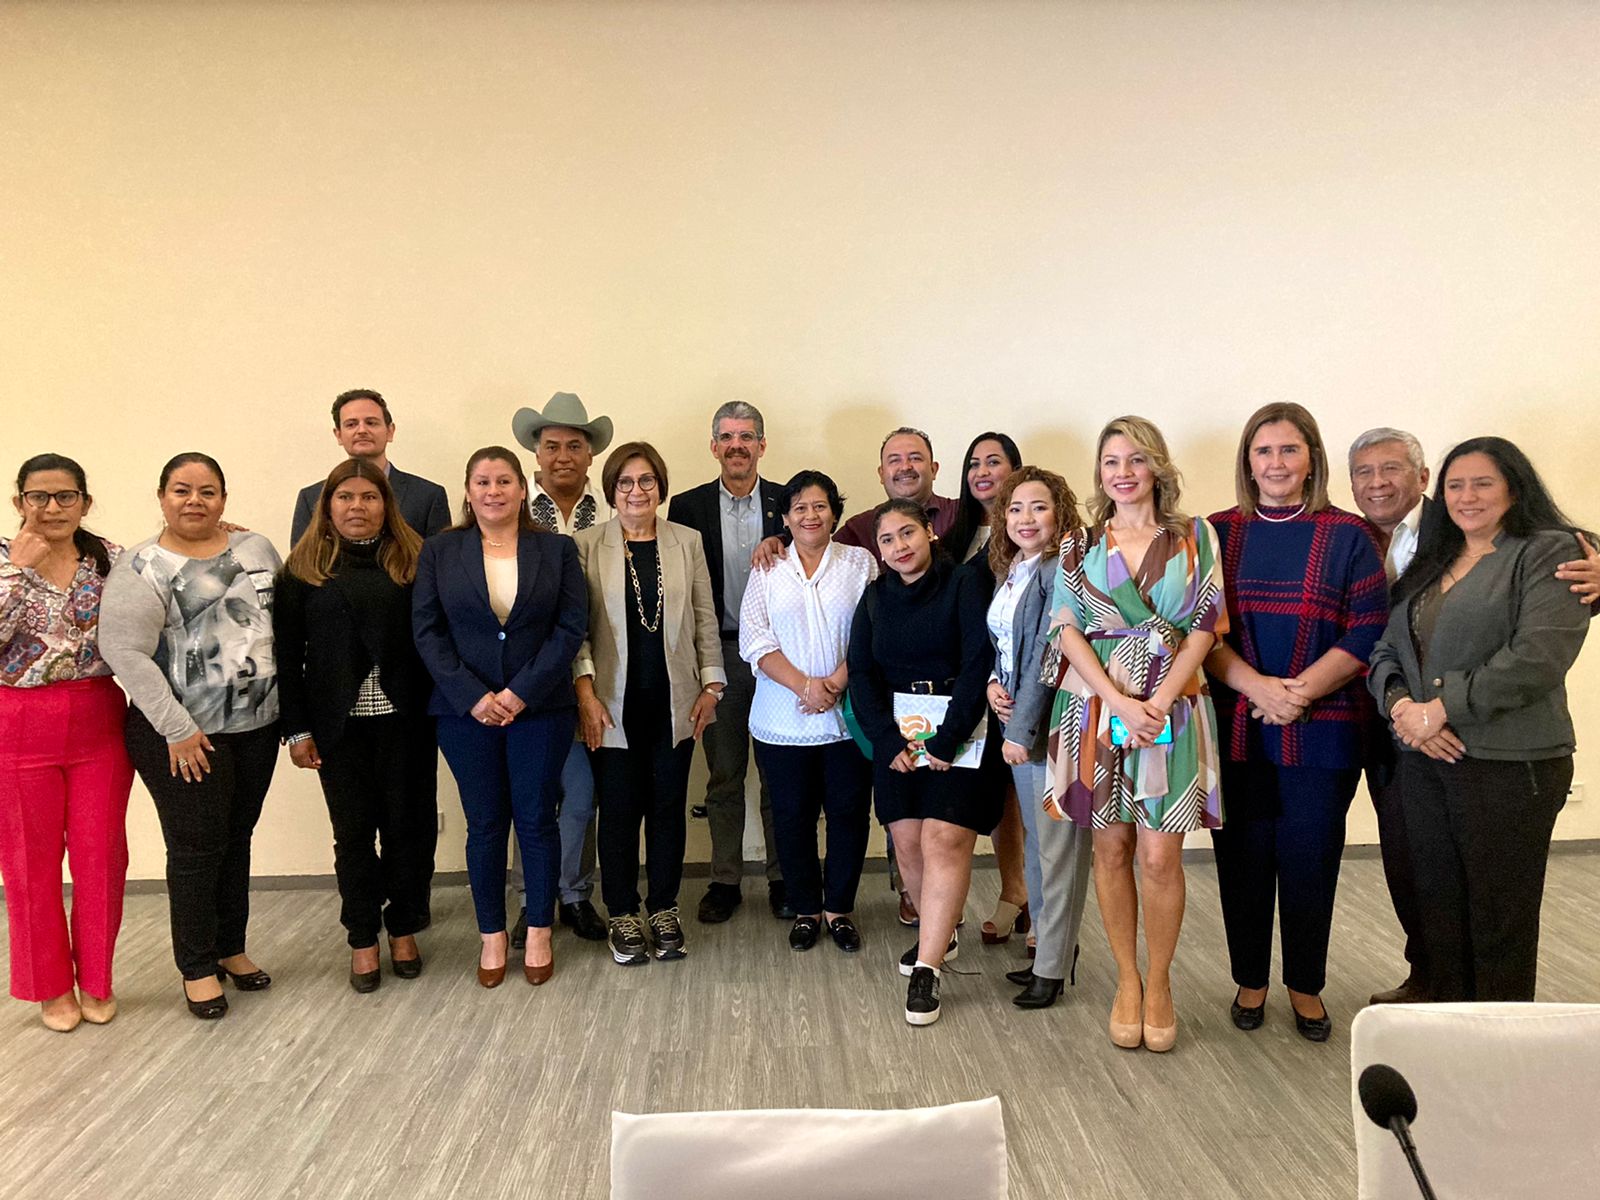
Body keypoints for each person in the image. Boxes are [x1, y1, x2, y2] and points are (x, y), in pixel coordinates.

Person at [1368, 437, 1589, 1002]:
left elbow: (1536, 658)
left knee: (1499, 918)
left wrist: (1439, 711)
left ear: (1514, 488)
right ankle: (1447, 1029)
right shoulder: (1434, 558)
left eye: (1482, 483)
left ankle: (1500, 1039)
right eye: (1455, 486)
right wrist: (1402, 709)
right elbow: (1388, 650)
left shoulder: (1550, 551)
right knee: (1438, 907)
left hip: (1510, 766)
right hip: (1425, 762)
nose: (1467, 496)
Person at [1042, 420, 1228, 1051]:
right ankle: (1127, 978)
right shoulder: (1079, 543)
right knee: (1112, 849)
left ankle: (1161, 982)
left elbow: (1205, 625)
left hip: (1172, 706)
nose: (1122, 472)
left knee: (1159, 856)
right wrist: (1120, 700)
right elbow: (1067, 629)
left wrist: (1159, 702)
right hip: (1096, 707)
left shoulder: (1196, 535)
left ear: (1157, 467)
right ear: (1100, 473)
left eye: (1135, 459)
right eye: (1111, 461)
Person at [1205, 404, 1387, 1043]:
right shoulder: (1216, 532)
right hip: (1238, 723)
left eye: (1289, 450)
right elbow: (1199, 630)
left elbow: (1369, 627)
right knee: (1244, 859)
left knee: (1311, 858)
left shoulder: (1348, 535)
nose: (1276, 463)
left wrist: (1298, 693)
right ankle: (1250, 980)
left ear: (1312, 459)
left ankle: (1305, 984)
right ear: (1247, 462)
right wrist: (1258, 688)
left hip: (1325, 724)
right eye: (1264, 451)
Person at [100, 453, 281, 1020]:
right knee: (196, 849)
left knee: (237, 838)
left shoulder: (256, 549)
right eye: (182, 490)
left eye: (208, 491)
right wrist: (177, 729)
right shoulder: (141, 566)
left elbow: (277, 623)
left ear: (224, 500)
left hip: (256, 727)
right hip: (181, 736)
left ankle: (230, 947)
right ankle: (197, 967)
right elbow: (125, 652)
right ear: (161, 497)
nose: (195, 501)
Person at [412, 447, 586, 988]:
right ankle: (491, 934)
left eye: (504, 481)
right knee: (485, 823)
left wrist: (520, 692)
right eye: (483, 482)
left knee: (536, 819)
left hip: (540, 709)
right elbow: (427, 631)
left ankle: (538, 930)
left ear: (522, 488)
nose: (494, 491)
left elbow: (570, 627)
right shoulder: (440, 550)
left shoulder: (555, 549)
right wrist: (473, 696)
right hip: (465, 714)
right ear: (468, 491)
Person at [275, 459, 436, 993]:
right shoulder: (302, 570)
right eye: (345, 497)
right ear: (328, 506)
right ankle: (362, 936)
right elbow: (287, 657)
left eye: (369, 497)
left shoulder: (415, 561)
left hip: (406, 724)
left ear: (386, 505)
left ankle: (403, 928)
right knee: (353, 837)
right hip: (338, 731)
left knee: (407, 832)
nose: (357, 507)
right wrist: (297, 731)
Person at [572, 442, 725, 967]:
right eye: (625, 482)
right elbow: (577, 630)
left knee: (666, 808)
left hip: (675, 702)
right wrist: (585, 693)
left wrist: (712, 687)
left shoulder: (687, 541)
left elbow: (705, 618)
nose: (636, 491)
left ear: (660, 486)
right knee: (617, 810)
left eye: (646, 481)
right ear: (611, 491)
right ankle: (621, 912)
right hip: (610, 704)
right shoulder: (586, 545)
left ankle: (663, 908)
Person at [847, 499, 996, 1026]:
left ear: (929, 532)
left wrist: (949, 737)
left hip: (960, 730)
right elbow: (861, 674)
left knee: (944, 838)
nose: (899, 546)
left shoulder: (963, 584)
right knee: (907, 840)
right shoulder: (873, 598)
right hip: (898, 738)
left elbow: (979, 660)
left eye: (907, 533)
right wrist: (886, 741)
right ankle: (942, 930)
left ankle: (928, 967)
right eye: (887, 540)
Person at [0, 455, 135, 1032]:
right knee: (28, 863)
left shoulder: (112, 560)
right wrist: (16, 571)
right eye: (39, 496)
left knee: (101, 855)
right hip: (18, 721)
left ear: (85, 502)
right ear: (19, 502)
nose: (52, 508)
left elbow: (159, 602)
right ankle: (51, 986)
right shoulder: (3, 559)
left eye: (65, 496)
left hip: (97, 717)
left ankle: (97, 978)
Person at [739, 470, 876, 952]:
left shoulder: (860, 563)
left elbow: (873, 630)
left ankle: (838, 909)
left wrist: (834, 684)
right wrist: (805, 687)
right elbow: (755, 638)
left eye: (819, 506)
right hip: (781, 720)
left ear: (834, 513)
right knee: (791, 817)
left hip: (847, 720)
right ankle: (805, 909)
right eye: (799, 508)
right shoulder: (768, 566)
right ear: (785, 518)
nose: (810, 515)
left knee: (848, 815)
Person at [668, 401, 788, 925]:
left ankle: (785, 877)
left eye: (747, 436)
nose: (737, 445)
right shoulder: (687, 507)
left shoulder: (789, 502)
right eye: (727, 436)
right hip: (719, 655)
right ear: (713, 446)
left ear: (762, 444)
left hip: (781, 661)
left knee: (780, 775)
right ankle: (724, 880)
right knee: (724, 776)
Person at [505, 391, 617, 946]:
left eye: (575, 445)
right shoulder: (513, 514)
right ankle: (534, 898)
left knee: (582, 796)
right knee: (531, 797)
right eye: (552, 445)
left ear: (591, 454)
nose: (563, 455)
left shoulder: (614, 512)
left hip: (600, 675)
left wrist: (588, 683)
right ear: (536, 452)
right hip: (530, 677)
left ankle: (574, 893)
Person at [983, 467, 1092, 1012]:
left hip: (1050, 730)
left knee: (1057, 853)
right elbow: (1007, 647)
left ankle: (1052, 966)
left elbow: (1050, 659)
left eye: (1039, 507)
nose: (1025, 518)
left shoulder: (1058, 570)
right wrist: (991, 683)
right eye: (1015, 508)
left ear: (1060, 513)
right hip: (1018, 724)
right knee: (1038, 849)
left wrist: (1020, 731)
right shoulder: (1014, 569)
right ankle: (1048, 953)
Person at [945, 432, 1032, 951]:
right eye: (973, 463)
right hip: (974, 684)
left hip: (1021, 685)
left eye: (993, 462)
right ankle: (1015, 890)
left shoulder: (1030, 530)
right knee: (998, 793)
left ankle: (1040, 904)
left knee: (1029, 792)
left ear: (1016, 470)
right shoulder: (954, 535)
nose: (981, 471)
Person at [290, 388, 451, 543]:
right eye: (351, 424)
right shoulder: (311, 498)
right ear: (338, 435)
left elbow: (442, 558)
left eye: (371, 423)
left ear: (390, 431)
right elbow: (303, 558)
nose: (362, 430)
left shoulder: (428, 497)